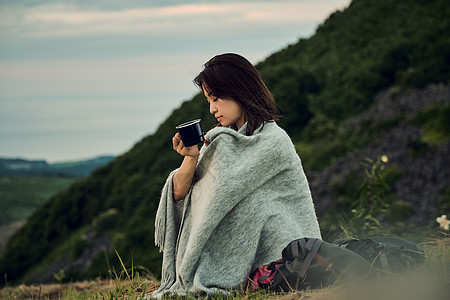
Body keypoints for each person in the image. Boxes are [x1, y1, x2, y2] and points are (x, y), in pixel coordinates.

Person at [152, 53, 321, 298]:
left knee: (257, 206)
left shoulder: (274, 141)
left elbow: (233, 199)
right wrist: (190, 158)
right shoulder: (218, 141)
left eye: (217, 98)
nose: (212, 109)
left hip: (284, 255)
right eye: (209, 100)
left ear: (239, 90)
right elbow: (180, 194)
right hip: (247, 257)